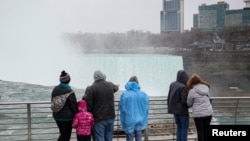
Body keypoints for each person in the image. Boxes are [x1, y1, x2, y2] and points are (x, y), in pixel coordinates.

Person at [83, 70, 119, 141]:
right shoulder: (110, 85)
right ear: (103, 76)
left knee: (99, 138)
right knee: (109, 137)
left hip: (99, 118)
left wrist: (91, 116)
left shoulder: (91, 88)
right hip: (111, 117)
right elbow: (115, 88)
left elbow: (88, 105)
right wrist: (117, 86)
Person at [119, 76, 149, 141]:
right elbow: (146, 107)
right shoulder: (143, 94)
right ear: (137, 83)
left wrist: (123, 119)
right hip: (140, 118)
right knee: (139, 136)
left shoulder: (125, 94)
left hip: (129, 119)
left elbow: (122, 107)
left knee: (129, 137)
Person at [51, 70, 78, 141]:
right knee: (66, 136)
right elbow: (74, 106)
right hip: (67, 118)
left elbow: (53, 101)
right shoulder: (70, 91)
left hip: (57, 116)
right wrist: (76, 115)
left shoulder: (55, 89)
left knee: (62, 134)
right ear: (69, 79)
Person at [186, 74, 213, 141]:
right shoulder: (206, 88)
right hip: (208, 113)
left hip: (198, 115)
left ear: (191, 82)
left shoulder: (192, 91)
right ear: (200, 80)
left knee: (200, 132)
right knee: (206, 131)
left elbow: (189, 103)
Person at [167, 70, 189, 141]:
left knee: (179, 127)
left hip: (174, 111)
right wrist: (189, 105)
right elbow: (184, 100)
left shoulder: (172, 84)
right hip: (182, 111)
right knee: (184, 128)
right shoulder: (183, 86)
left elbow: (169, 97)